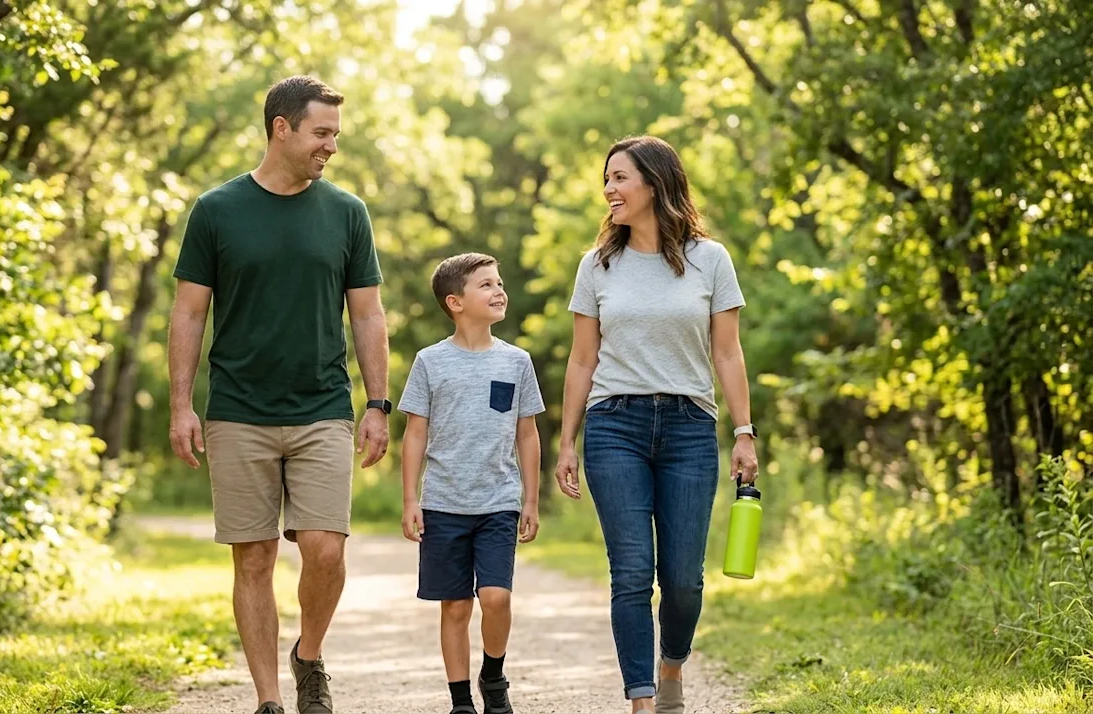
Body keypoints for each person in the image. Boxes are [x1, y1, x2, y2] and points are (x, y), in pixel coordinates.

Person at [167, 75, 391, 714]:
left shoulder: (347, 212)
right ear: (281, 128)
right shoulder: (217, 210)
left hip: (322, 404)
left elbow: (369, 316)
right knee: (255, 559)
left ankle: (309, 655)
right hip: (238, 410)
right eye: (322, 133)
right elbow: (188, 314)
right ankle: (268, 699)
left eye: (335, 136)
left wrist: (377, 404)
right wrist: (183, 405)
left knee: (325, 550)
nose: (331, 147)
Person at [552, 135, 759, 714]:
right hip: (614, 423)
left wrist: (745, 432)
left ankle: (672, 667)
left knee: (685, 579)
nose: (609, 190)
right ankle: (642, 701)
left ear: (654, 183)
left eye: (620, 178)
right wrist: (566, 442)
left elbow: (728, 354)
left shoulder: (710, 259)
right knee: (632, 573)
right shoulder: (596, 266)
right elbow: (582, 360)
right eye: (607, 179)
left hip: (691, 427)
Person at [397, 253, 544, 714]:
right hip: (443, 503)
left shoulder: (517, 362)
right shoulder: (430, 362)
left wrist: (531, 501)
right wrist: (409, 500)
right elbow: (415, 434)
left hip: (498, 500)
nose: (499, 291)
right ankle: (461, 701)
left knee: (496, 597)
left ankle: (493, 676)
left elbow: (527, 434)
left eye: (499, 283)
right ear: (455, 302)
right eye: (486, 285)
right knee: (456, 607)